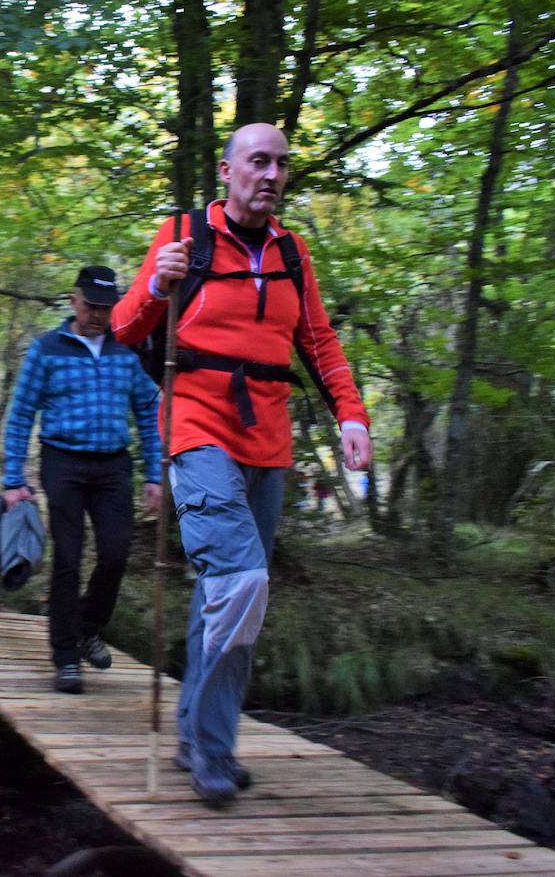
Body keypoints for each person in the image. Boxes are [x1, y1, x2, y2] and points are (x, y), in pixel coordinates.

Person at [112, 123, 373, 806]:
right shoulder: (183, 235)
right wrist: (155, 288)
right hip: (196, 427)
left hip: (270, 440)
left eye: (281, 164)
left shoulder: (293, 252)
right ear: (227, 171)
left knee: (228, 600)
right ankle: (214, 751)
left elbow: (318, 339)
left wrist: (351, 414)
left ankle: (199, 740)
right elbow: (122, 327)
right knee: (241, 576)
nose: (272, 173)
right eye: (259, 161)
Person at [2, 266, 163, 695]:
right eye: (91, 305)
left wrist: (155, 474)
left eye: (106, 307)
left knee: (115, 553)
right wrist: (13, 478)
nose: (98, 314)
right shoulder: (46, 349)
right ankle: (66, 658)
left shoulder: (125, 351)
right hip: (63, 462)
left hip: (113, 465)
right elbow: (21, 414)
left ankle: (88, 628)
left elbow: (149, 410)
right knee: (68, 558)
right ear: (74, 299)